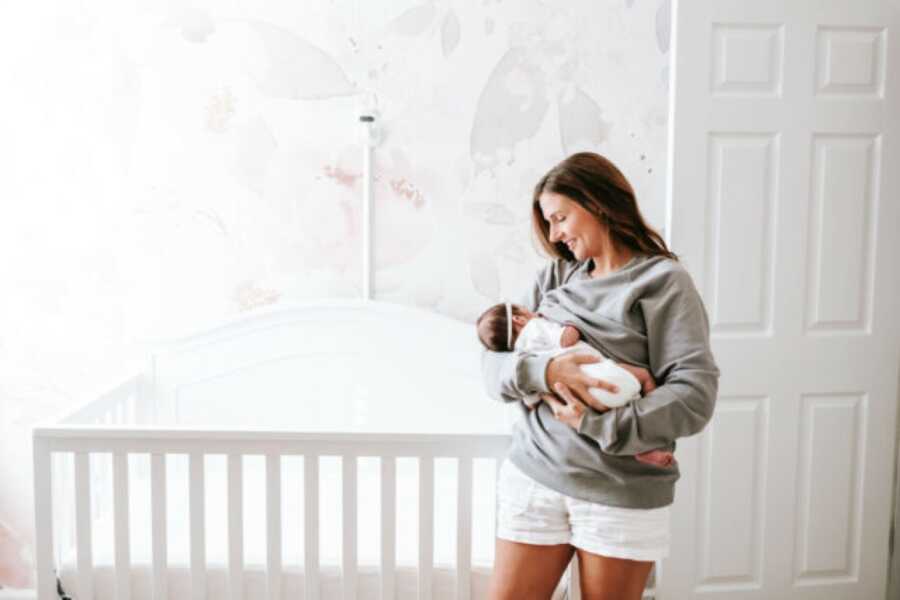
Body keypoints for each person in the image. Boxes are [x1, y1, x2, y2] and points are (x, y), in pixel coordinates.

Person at [481, 152, 719, 600]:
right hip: (536, 476)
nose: (554, 235)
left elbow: (694, 395)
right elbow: (493, 365)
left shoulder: (663, 283)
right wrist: (548, 369)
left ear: (598, 204)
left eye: (560, 218)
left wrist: (598, 423)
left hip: (618, 490)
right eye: (548, 223)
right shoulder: (555, 275)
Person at [476, 302, 675, 468]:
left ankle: (637, 450)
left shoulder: (519, 355)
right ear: (518, 319)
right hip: (604, 372)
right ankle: (651, 441)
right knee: (644, 377)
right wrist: (573, 325)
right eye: (524, 309)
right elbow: (566, 339)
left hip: (581, 398)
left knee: (606, 422)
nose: (532, 310)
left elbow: (530, 400)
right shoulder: (535, 326)